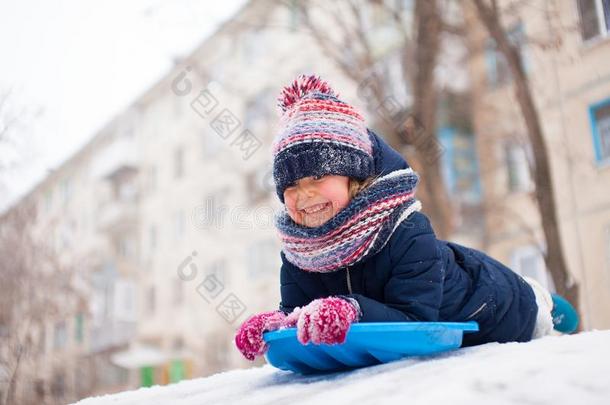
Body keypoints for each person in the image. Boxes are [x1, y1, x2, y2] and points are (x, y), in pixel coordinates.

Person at [234, 75, 575, 362]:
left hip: (492, 304)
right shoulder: (299, 254)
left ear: (353, 179)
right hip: (447, 288)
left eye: (317, 178)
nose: (303, 195)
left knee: (535, 313)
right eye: (290, 186)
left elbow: (416, 320)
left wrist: (352, 310)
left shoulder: (406, 230)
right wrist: (275, 326)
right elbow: (300, 314)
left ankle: (542, 300)